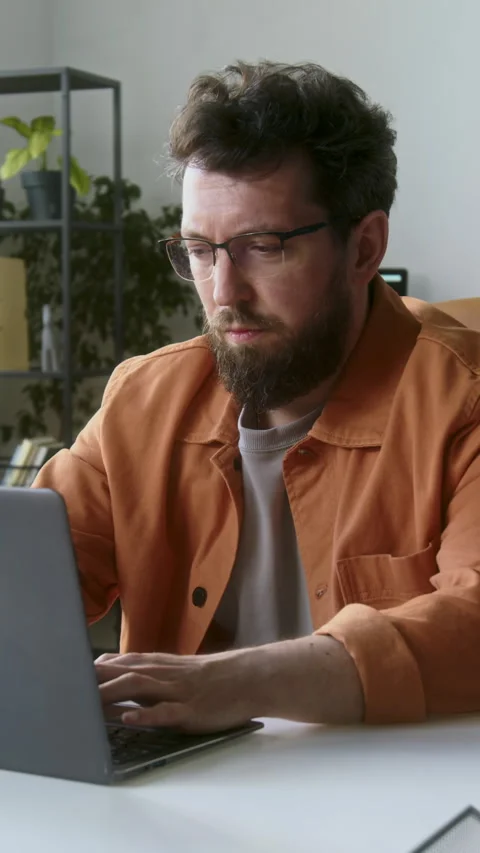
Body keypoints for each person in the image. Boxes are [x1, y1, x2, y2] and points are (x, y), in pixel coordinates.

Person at [34, 60, 480, 733]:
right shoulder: (143, 401)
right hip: (178, 815)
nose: (222, 292)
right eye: (199, 250)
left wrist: (240, 681)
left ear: (365, 249)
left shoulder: (460, 397)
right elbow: (34, 572)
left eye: (260, 247)